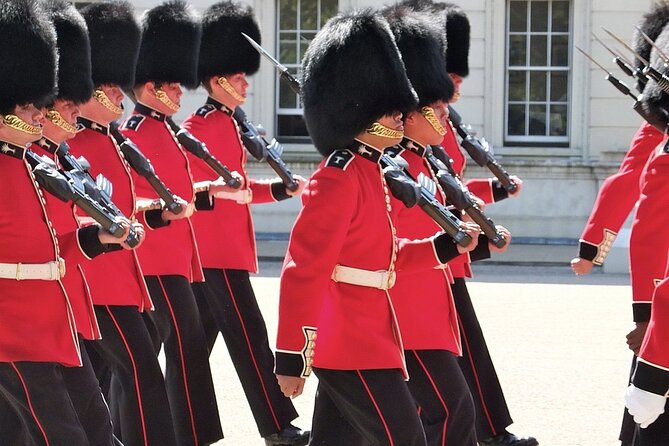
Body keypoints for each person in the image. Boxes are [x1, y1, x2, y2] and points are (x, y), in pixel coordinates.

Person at [274, 9, 477, 445]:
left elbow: (386, 256)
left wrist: (442, 248)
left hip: (370, 338)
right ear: (358, 112)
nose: (402, 119)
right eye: (391, 113)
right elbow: (304, 268)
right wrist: (292, 354)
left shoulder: (370, 172)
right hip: (350, 343)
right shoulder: (337, 176)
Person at [404, 2, 533, 444]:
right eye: (450, 77)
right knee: (440, 362)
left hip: (450, 249)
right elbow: (433, 198)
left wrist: (494, 194)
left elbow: (453, 188)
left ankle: (490, 428)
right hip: (433, 256)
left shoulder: (442, 126)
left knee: (459, 353)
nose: (455, 85)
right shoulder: (412, 141)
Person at [181, 2, 309, 444]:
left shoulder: (231, 123)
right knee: (251, 337)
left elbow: (237, 187)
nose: (244, 86)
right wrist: (231, 189)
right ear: (218, 81)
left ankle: (184, 429)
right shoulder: (202, 126)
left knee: (192, 348)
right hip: (215, 254)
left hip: (219, 251)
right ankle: (278, 425)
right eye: (238, 78)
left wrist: (279, 189)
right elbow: (203, 189)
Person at [69, 2, 180, 444]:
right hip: (97, 279)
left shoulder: (111, 139)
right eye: (112, 87)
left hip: (118, 278)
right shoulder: (72, 141)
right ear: (92, 90)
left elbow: (119, 204)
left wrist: (155, 212)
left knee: (91, 382)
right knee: (141, 371)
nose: (121, 95)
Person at [120, 1, 223, 444]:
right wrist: (165, 211)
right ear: (149, 86)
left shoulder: (167, 131)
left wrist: (209, 193)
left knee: (167, 349)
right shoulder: (134, 134)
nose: (182, 92)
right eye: (173, 86)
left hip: (179, 259)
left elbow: (180, 188)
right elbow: (128, 198)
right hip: (155, 260)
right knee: (181, 345)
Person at [382, 6, 484, 444]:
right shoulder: (393, 165)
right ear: (410, 113)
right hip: (407, 313)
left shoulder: (424, 161)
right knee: (450, 407)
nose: (445, 114)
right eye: (435, 107)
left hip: (428, 307)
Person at [0, 0, 99, 443]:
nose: (39, 113)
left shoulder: (31, 164)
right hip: (12, 331)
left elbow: (54, 246)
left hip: (47, 322)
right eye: (27, 106)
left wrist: (101, 237)